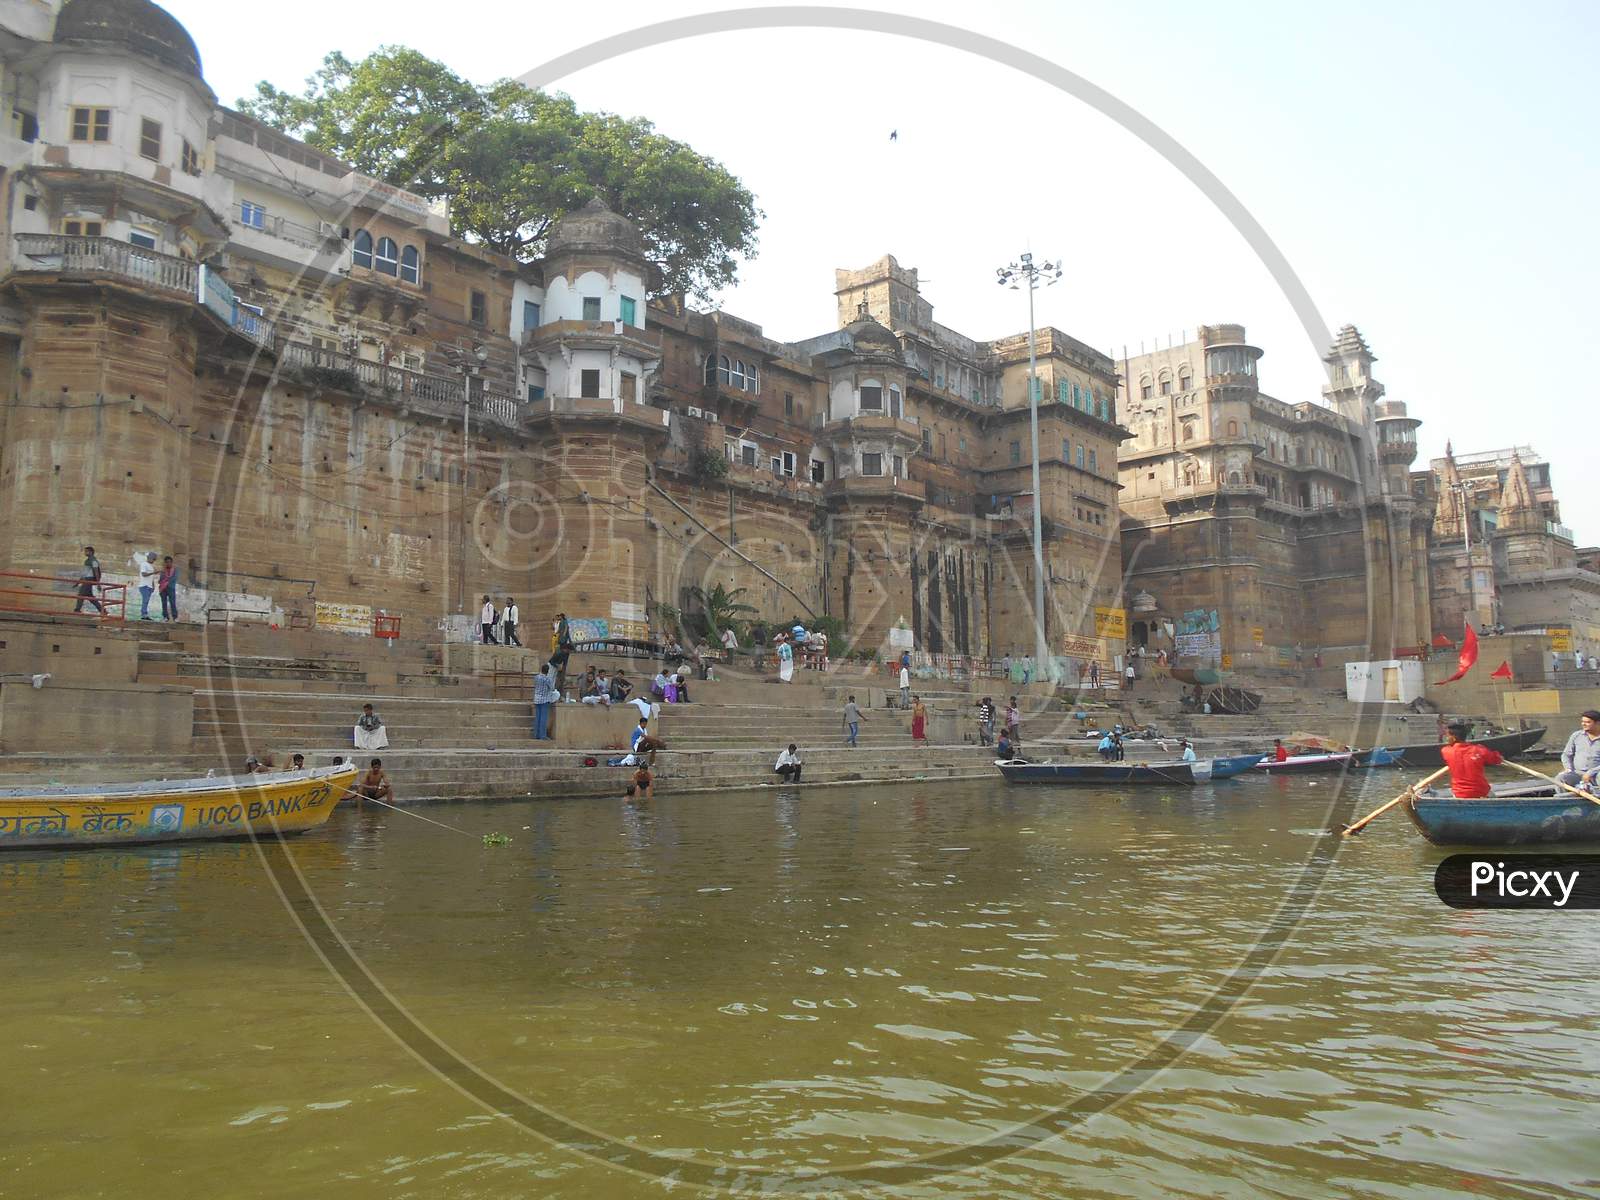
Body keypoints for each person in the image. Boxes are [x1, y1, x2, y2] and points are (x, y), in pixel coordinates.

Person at [1440, 722, 1503, 798]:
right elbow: (1497, 759)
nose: (1446, 739)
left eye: (1447, 736)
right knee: (1493, 797)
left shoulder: (1446, 751)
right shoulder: (1479, 750)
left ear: (1453, 738)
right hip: (1482, 792)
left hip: (1459, 794)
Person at [1558, 710, 1600, 790]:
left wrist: (1590, 773)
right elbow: (1566, 755)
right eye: (1582, 721)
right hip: (1577, 773)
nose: (1583, 724)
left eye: (1588, 722)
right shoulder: (1576, 736)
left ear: (1597, 723)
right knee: (1561, 778)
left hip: (1597, 773)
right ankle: (1564, 801)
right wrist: (1568, 768)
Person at [74, 546, 103, 614]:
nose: (85, 553)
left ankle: (77, 610)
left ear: (91, 552)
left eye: (86, 551)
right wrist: (78, 583)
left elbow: (96, 572)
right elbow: (85, 573)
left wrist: (98, 584)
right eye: (85, 551)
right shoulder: (87, 561)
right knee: (90, 597)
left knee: (81, 595)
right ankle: (103, 611)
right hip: (86, 579)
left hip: (89, 580)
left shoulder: (93, 560)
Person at [532, 662, 558, 740]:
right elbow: (552, 688)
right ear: (547, 671)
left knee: (537, 718)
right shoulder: (547, 679)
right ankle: (542, 735)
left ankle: (536, 734)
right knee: (543, 718)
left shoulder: (536, 677)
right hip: (544, 700)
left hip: (537, 699)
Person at [134, 551, 158, 620]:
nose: (154, 561)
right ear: (150, 558)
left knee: (146, 601)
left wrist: (153, 585)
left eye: (154, 559)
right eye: (153, 559)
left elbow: (151, 577)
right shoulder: (144, 564)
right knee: (145, 600)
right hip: (144, 585)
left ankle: (145, 614)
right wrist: (154, 572)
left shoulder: (151, 566)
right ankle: (143, 614)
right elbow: (143, 574)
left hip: (149, 586)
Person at [158, 555, 178, 620]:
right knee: (164, 603)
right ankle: (165, 616)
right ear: (165, 563)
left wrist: (166, 581)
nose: (168, 563)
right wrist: (163, 581)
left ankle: (175, 617)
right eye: (167, 562)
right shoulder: (163, 570)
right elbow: (160, 579)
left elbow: (174, 578)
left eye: (169, 562)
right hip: (162, 588)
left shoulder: (175, 570)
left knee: (172, 602)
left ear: (172, 563)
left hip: (171, 588)